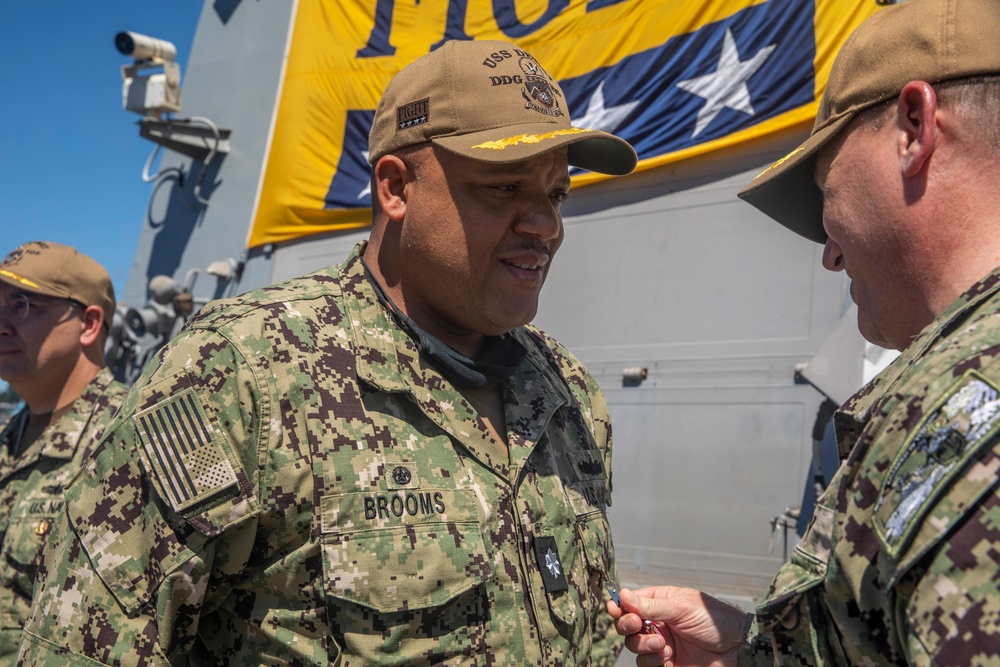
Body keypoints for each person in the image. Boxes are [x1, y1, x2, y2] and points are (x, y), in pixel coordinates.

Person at [18, 39, 637, 666]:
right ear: (395, 188)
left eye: (556, 195)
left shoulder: (566, 391)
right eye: (504, 188)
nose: (546, 226)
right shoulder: (236, 377)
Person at [609, 0, 1000, 665]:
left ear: (914, 127)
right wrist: (754, 649)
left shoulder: (972, 405)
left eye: (826, 186)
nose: (830, 253)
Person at [0, 241, 128, 664]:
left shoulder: (126, 441)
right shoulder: (7, 438)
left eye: (21, 305)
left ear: (89, 324)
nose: (1, 324)